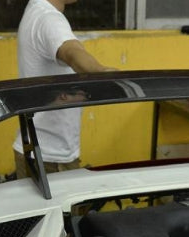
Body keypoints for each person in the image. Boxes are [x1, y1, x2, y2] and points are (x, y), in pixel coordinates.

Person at [12, 0, 114, 178]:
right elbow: (72, 52)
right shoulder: (48, 18)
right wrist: (101, 73)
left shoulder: (35, 10)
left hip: (38, 148)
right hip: (50, 158)